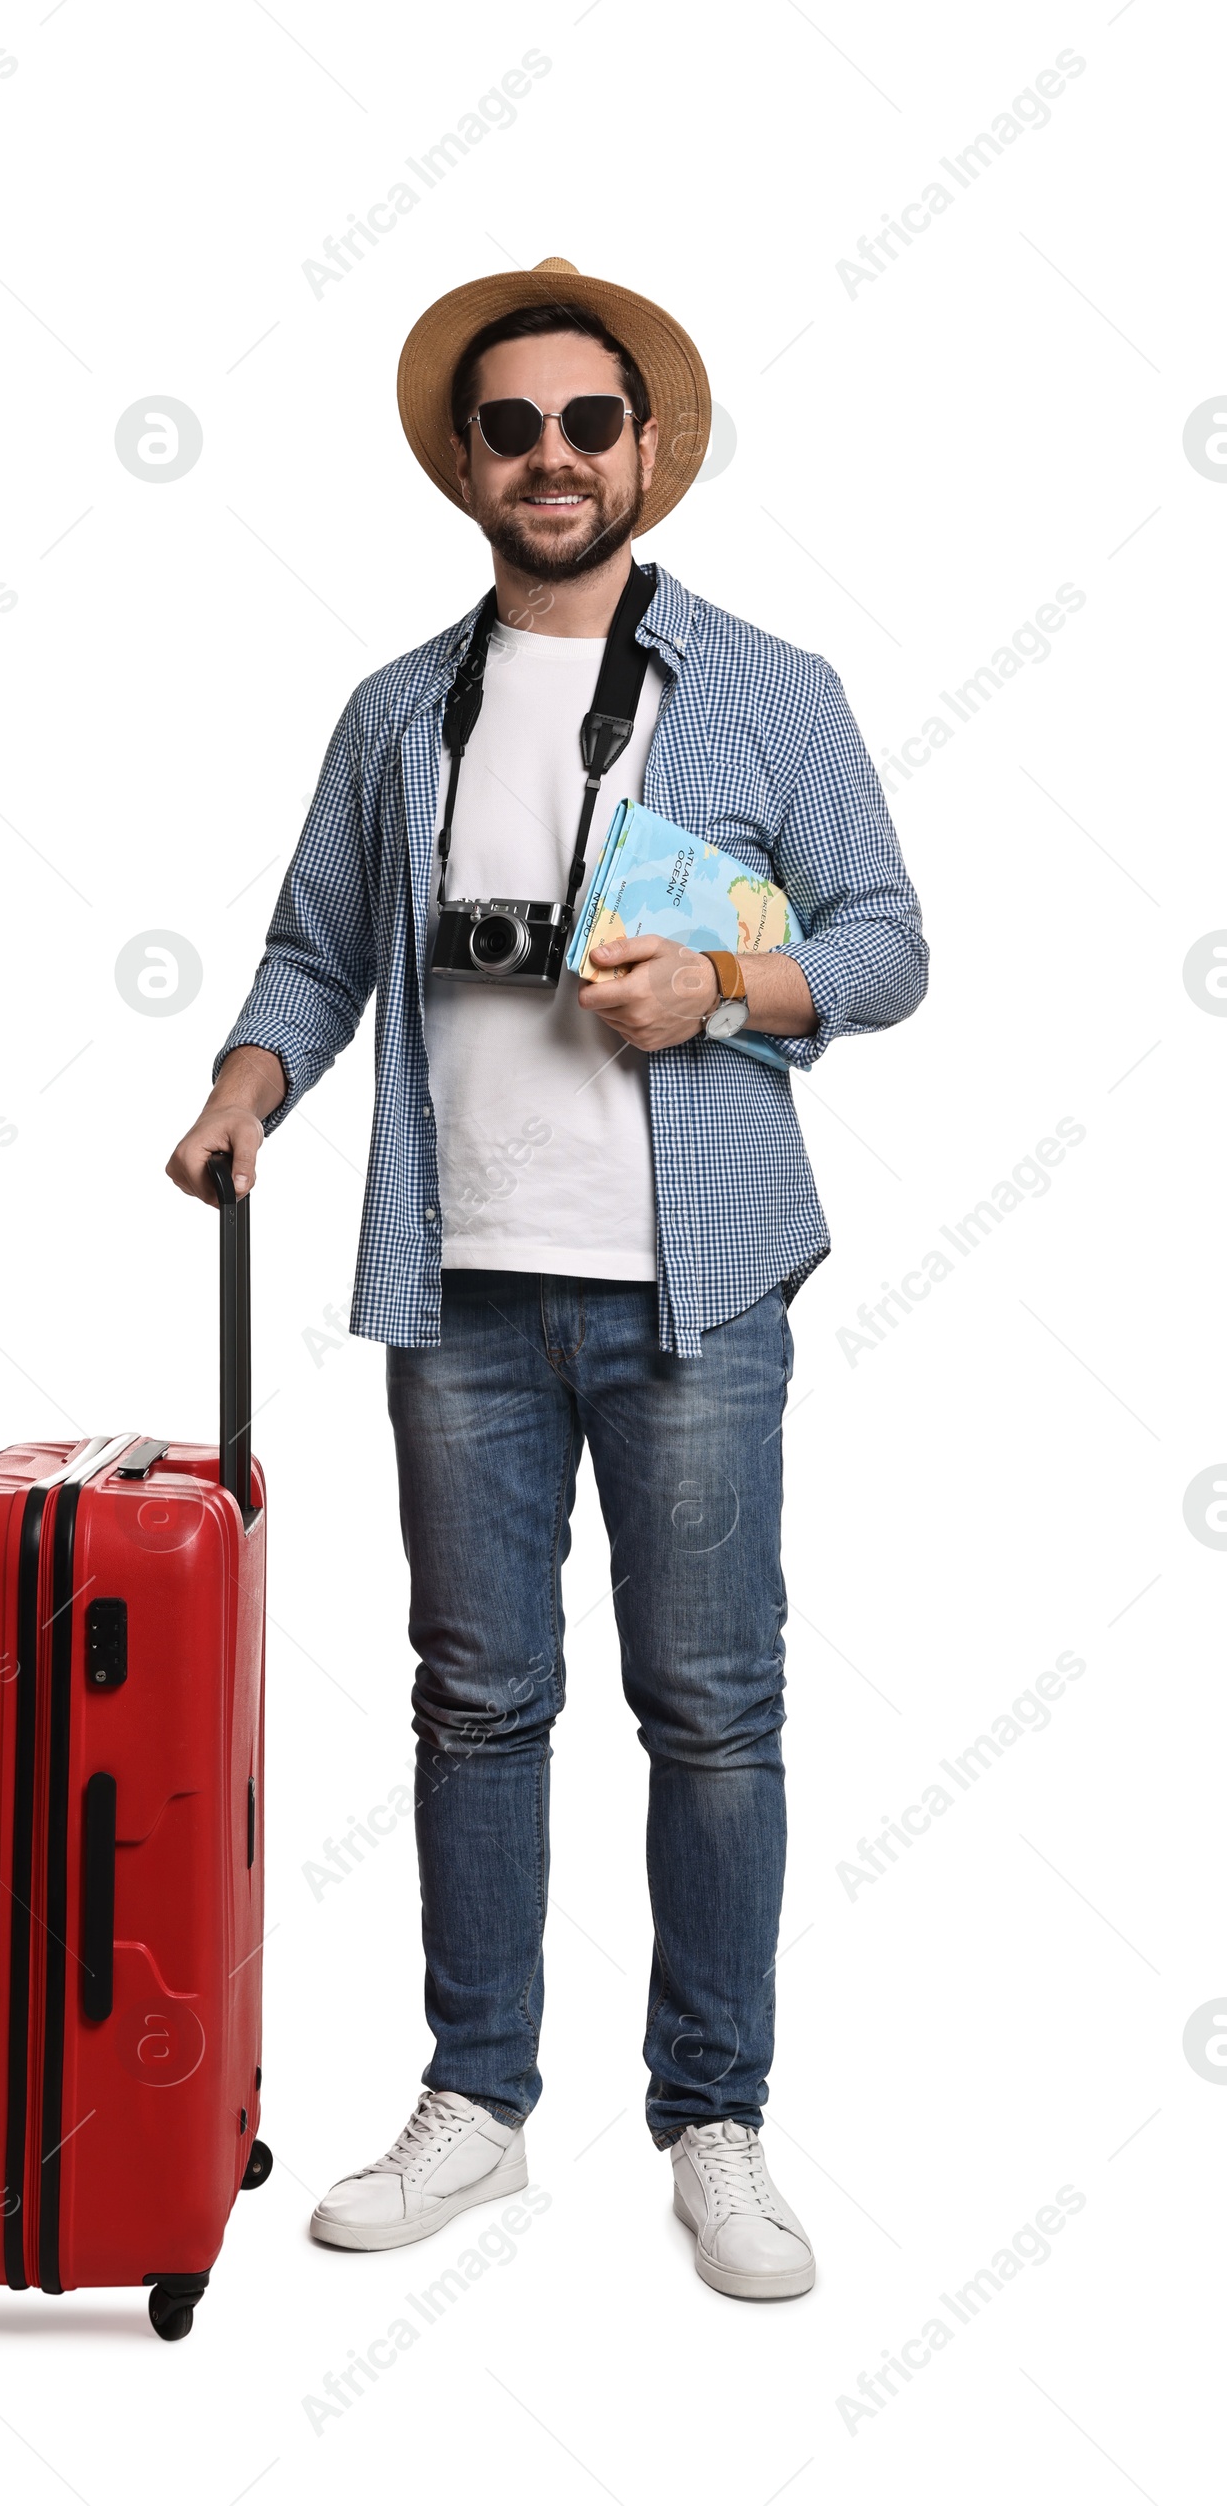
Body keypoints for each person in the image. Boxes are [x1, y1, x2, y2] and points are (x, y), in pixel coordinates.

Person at [167, 257, 926, 2300]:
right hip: (461, 1288)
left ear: (644, 447)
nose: (552, 458)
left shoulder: (770, 689)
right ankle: (475, 2104)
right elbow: (314, 951)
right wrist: (249, 1087)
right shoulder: (393, 709)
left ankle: (714, 2119)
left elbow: (882, 942)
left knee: (712, 1709)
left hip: (696, 1295)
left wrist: (718, 985)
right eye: (510, 429)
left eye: (587, 423)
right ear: (466, 464)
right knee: (475, 1704)